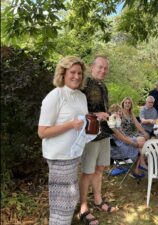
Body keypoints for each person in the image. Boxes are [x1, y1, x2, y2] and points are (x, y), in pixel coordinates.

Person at [38, 56, 89, 225]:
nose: (76, 76)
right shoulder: (55, 96)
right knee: (62, 202)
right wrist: (69, 124)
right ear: (63, 74)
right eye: (72, 72)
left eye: (79, 73)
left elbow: (81, 120)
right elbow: (42, 132)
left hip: (74, 154)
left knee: (71, 197)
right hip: (59, 157)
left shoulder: (81, 96)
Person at [79, 55, 116, 225]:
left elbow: (103, 110)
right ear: (92, 67)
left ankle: (98, 200)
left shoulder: (104, 86)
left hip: (104, 134)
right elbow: (76, 112)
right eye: (100, 67)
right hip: (90, 135)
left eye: (105, 68)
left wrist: (111, 115)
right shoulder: (83, 84)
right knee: (87, 172)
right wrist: (95, 115)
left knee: (99, 169)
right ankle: (83, 208)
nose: (103, 70)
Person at [109, 104, 148, 178]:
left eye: (120, 111)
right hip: (119, 151)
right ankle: (141, 166)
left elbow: (124, 136)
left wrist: (133, 140)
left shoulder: (116, 122)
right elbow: (122, 138)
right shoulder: (111, 123)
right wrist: (135, 144)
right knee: (141, 145)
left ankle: (139, 167)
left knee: (142, 140)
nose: (119, 113)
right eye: (116, 112)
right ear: (111, 113)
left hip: (119, 147)